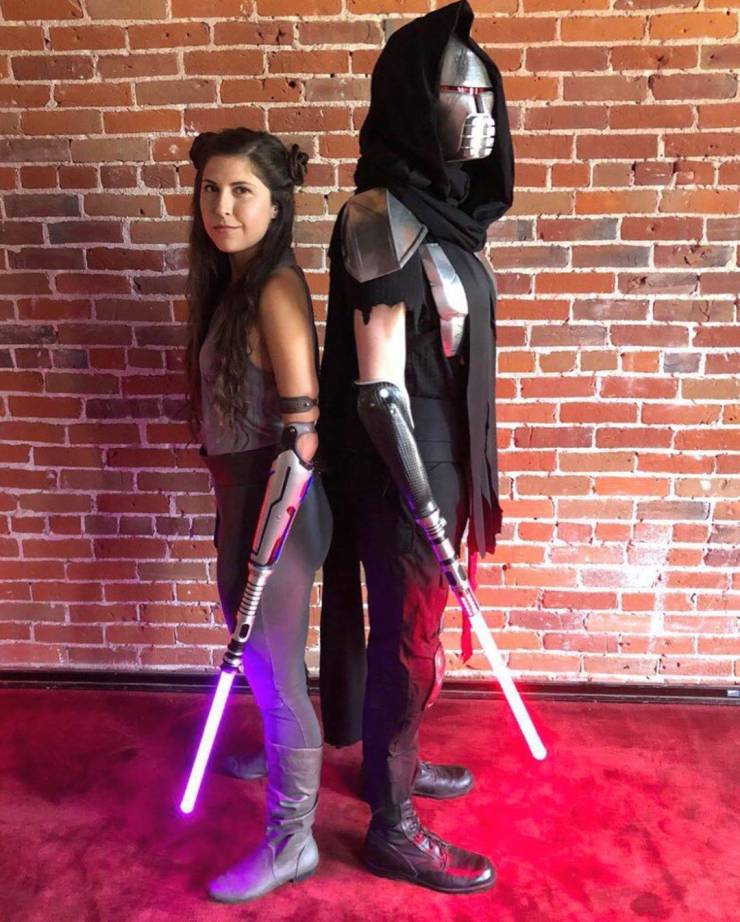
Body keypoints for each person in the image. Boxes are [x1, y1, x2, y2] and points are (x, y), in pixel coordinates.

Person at [318, 0, 513, 894]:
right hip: (403, 472)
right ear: (408, 99)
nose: (478, 112)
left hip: (439, 461)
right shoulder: (378, 217)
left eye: (484, 95)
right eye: (456, 93)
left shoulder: (448, 217)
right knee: (407, 645)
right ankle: (392, 828)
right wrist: (427, 508)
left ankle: (390, 767)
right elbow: (379, 387)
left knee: (418, 637)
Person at [184, 127, 332, 903]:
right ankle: (280, 753)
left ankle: (292, 841)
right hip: (239, 497)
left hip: (278, 505)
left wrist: (263, 549)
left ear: (277, 204)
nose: (223, 206)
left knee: (276, 679)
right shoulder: (235, 282)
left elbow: (303, 435)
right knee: (267, 666)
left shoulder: (274, 288)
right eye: (211, 188)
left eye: (242, 190)